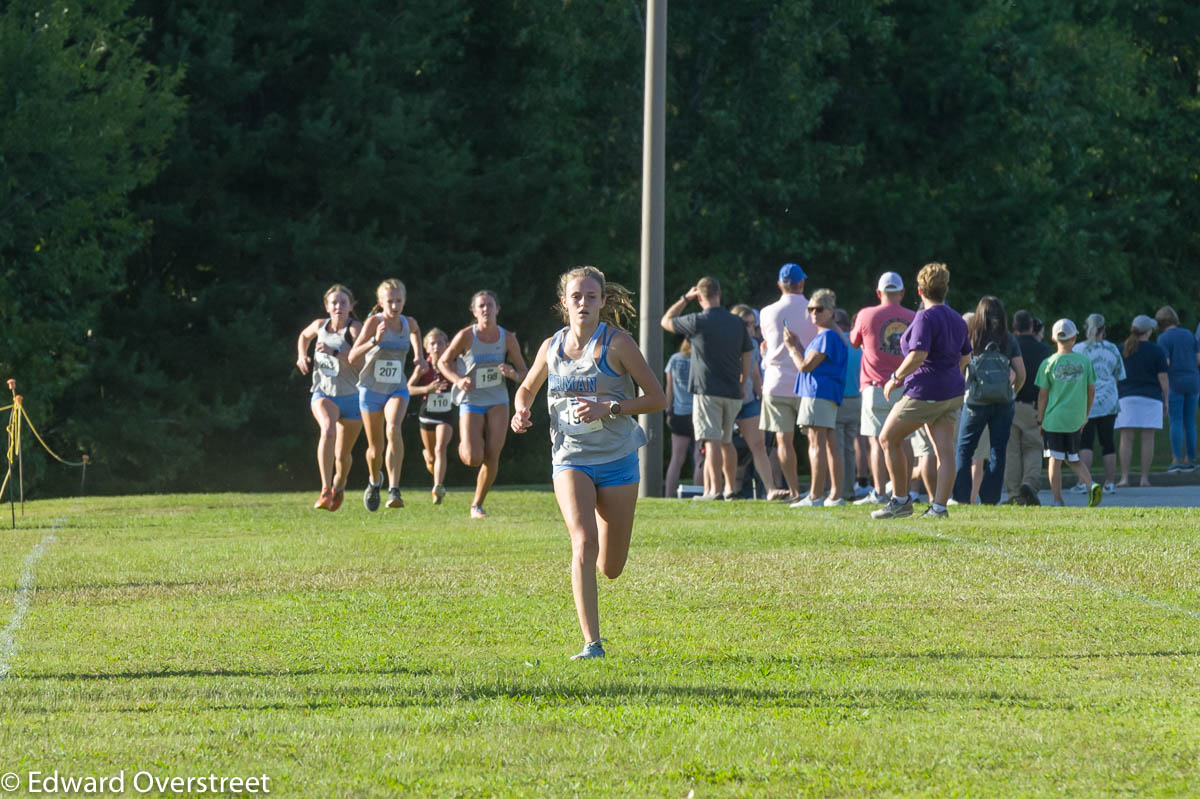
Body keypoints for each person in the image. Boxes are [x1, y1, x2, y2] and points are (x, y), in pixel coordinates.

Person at [511, 266, 666, 661]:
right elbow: (527, 388)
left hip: (617, 461)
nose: (583, 303)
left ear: (603, 301)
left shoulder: (618, 344)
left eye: (591, 297)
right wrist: (521, 411)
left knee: (610, 567)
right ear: (564, 303)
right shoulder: (552, 346)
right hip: (570, 458)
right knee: (582, 542)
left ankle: (599, 551)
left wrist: (609, 406)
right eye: (576, 297)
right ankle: (592, 644)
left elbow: (657, 398)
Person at [871, 263, 972, 520]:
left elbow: (918, 354)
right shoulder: (957, 319)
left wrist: (895, 378)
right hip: (952, 392)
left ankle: (901, 501)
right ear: (945, 289)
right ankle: (939, 508)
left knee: (887, 438)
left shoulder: (925, 317)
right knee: (945, 451)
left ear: (919, 290)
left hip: (925, 391)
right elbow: (965, 357)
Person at [438, 291, 528, 518]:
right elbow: (443, 361)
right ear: (474, 311)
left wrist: (512, 374)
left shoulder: (507, 338)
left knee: (492, 454)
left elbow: (525, 373)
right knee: (473, 458)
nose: (486, 309)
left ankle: (476, 505)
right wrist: (458, 380)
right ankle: (464, 445)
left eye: (490, 305)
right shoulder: (466, 336)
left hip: (498, 399)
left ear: (498, 309)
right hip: (471, 400)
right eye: (481, 306)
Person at [660, 276, 752, 501]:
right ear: (719, 294)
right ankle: (730, 488)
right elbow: (747, 353)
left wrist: (685, 298)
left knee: (711, 441)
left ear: (700, 297)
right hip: (732, 390)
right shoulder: (737, 322)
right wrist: (742, 381)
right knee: (727, 441)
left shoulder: (697, 320)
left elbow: (666, 321)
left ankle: (714, 491)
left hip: (706, 391)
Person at [350, 279, 425, 511]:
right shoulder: (374, 322)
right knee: (375, 449)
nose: (394, 306)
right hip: (371, 389)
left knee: (393, 428)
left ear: (404, 301)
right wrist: (375, 340)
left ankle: (394, 489)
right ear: (381, 302)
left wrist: (418, 355)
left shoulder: (408, 322)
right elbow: (353, 357)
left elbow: (415, 331)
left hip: (396, 388)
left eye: (398, 301)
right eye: (390, 301)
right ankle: (374, 482)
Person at [850, 271, 917, 506]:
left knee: (877, 441)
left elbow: (855, 341)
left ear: (879, 292)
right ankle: (905, 491)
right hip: (906, 385)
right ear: (901, 292)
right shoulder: (914, 316)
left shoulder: (865, 314)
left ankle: (879, 492)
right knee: (905, 439)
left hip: (875, 385)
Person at [295, 284, 364, 511]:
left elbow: (365, 364)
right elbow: (304, 336)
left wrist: (336, 353)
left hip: (353, 398)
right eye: (334, 303)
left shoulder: (356, 330)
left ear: (351, 307)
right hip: (324, 393)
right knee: (328, 429)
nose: (338, 307)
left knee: (343, 455)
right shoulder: (319, 326)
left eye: (343, 303)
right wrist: (302, 355)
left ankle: (340, 483)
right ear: (326, 306)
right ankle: (325, 490)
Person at [951, 296, 1025, 505]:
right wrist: (1012, 392)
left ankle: (961, 497)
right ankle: (990, 498)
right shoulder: (1009, 340)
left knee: (964, 450)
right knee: (997, 451)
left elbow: (961, 368)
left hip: (975, 402)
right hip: (1003, 403)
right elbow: (1021, 373)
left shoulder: (970, 338)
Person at [758, 263, 818, 501]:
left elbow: (768, 343)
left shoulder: (766, 312)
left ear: (779, 284)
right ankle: (816, 491)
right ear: (801, 283)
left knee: (783, 440)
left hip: (776, 381)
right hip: (808, 380)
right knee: (816, 439)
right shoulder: (813, 309)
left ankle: (793, 491)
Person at [783, 289, 847, 507]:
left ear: (830, 312)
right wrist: (799, 345)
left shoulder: (826, 336)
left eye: (819, 309)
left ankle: (815, 495)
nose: (813, 313)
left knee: (816, 443)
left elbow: (804, 366)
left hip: (817, 393)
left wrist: (792, 348)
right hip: (827, 394)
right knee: (830, 443)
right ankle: (835, 495)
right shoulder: (833, 335)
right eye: (810, 309)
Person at [1036, 319, 1102, 507]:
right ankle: (1091, 484)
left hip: (1054, 419)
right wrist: (1086, 414)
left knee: (1055, 459)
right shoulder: (1085, 362)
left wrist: (1040, 418)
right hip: (1075, 418)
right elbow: (1091, 390)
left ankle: (1057, 500)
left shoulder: (1048, 363)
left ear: (1053, 338)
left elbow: (1042, 395)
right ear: (1074, 338)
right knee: (1073, 458)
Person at [1073, 313, 1124, 493]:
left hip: (1086, 400)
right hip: (1109, 401)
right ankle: (1110, 482)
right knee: (1107, 442)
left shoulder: (1079, 349)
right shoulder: (1112, 349)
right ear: (1104, 329)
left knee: (1085, 443)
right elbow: (1119, 375)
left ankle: (1084, 482)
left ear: (1086, 328)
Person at [1115, 315, 1169, 487]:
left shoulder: (1122, 349)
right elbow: (1163, 378)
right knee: (1148, 439)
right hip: (1151, 397)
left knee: (1126, 438)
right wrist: (1166, 399)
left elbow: (1116, 377)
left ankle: (1124, 477)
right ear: (1148, 331)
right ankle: (1144, 478)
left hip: (1127, 397)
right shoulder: (1157, 350)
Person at [1005, 310, 1050, 505]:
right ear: (1032, 326)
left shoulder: (1009, 347)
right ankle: (1029, 484)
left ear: (1014, 329)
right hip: (1035, 406)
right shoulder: (1045, 351)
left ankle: (1014, 494)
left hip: (1011, 404)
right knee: (1033, 447)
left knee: (1012, 450)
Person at [731, 304, 774, 499]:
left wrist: (762, 399)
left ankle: (771, 489)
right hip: (727, 398)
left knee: (759, 445)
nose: (749, 328)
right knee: (722, 444)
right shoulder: (725, 342)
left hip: (748, 400)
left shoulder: (754, 345)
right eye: (745, 324)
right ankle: (727, 489)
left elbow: (756, 375)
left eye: (752, 324)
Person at [408, 328, 455, 504]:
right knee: (432, 455)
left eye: (440, 343)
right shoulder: (423, 367)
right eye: (432, 344)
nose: (436, 347)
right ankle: (428, 459)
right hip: (426, 413)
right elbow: (407, 389)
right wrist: (426, 389)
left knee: (440, 448)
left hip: (446, 414)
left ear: (447, 346)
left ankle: (438, 487)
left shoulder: (452, 364)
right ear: (426, 348)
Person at [1155, 306, 1200, 472]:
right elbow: (1198, 359)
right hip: (1194, 380)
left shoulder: (1163, 339)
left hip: (1175, 381)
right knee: (1190, 422)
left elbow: (1165, 364)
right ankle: (1190, 458)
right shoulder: (1189, 334)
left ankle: (1176, 459)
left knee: (1176, 421)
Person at [663, 339, 703, 498]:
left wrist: (668, 411)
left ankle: (668, 495)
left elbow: (669, 388)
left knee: (676, 459)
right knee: (700, 457)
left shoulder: (675, 359)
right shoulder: (701, 358)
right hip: (698, 413)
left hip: (679, 413)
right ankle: (699, 493)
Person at [834, 309, 863, 497]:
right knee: (851, 449)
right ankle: (849, 489)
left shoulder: (834, 341)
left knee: (837, 448)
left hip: (837, 400)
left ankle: (838, 489)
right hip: (857, 400)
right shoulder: (857, 346)